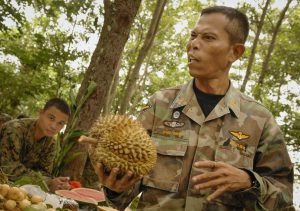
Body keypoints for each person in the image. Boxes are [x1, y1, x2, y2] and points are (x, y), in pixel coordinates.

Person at [81, 6, 294, 210]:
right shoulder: (160, 105)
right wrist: (115, 186)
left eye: (208, 37)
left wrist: (249, 181)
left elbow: (284, 199)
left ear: (235, 52)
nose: (193, 44)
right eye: (193, 36)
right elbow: (126, 190)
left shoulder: (259, 120)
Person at [0, 98, 71, 192]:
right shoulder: (15, 129)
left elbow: (44, 173)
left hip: (18, 190)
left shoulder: (51, 144)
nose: (54, 126)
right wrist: (47, 182)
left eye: (60, 123)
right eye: (51, 118)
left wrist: (57, 183)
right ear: (41, 113)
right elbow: (8, 168)